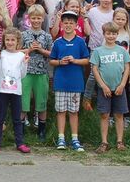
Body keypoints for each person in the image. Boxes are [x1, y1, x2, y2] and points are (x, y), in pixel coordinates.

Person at [49, 10, 90, 152]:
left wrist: (75, 61)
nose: (68, 25)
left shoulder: (80, 42)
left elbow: (86, 60)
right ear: (61, 24)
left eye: (71, 23)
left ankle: (74, 138)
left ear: (75, 25)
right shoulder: (57, 42)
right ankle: (61, 138)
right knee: (61, 111)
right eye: (65, 23)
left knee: (73, 112)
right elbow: (52, 60)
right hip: (61, 82)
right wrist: (60, 62)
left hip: (75, 83)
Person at [91, 22, 130, 153]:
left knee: (119, 114)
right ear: (104, 34)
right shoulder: (98, 51)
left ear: (117, 34)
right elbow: (95, 69)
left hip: (119, 88)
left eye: (114, 34)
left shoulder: (121, 50)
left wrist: (122, 84)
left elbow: (127, 67)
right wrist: (103, 86)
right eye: (108, 33)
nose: (111, 36)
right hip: (104, 89)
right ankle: (104, 142)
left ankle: (120, 141)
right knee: (104, 115)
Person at [0, 28, 29, 153]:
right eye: (7, 40)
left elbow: (22, 75)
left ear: (17, 41)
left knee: (17, 119)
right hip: (2, 91)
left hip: (16, 92)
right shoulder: (1, 54)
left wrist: (25, 64)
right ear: (4, 41)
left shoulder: (21, 56)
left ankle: (20, 143)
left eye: (13, 40)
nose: (10, 42)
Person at [21, 4, 53, 142]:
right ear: (29, 18)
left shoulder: (47, 36)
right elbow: (17, 51)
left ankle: (41, 130)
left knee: (41, 101)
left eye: (38, 18)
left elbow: (52, 54)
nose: (36, 20)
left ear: (43, 18)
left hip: (41, 72)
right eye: (33, 18)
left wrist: (40, 50)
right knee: (24, 101)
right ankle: (20, 131)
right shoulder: (23, 35)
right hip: (26, 72)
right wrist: (28, 50)